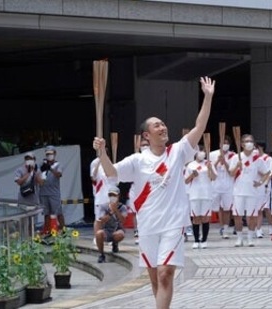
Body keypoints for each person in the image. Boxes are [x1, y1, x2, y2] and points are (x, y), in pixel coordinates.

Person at [92, 76, 215, 309]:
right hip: (148, 225)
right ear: (146, 136)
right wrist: (103, 153)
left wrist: (207, 97)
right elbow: (111, 173)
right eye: (157, 125)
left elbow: (200, 127)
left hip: (173, 222)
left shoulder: (178, 151)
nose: (163, 127)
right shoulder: (137, 160)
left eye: (163, 124)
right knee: (155, 279)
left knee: (165, 273)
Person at [228, 134, 270, 247]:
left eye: (251, 141)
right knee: (237, 216)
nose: (249, 143)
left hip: (252, 192)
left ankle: (250, 238)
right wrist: (237, 166)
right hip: (238, 191)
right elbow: (231, 174)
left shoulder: (257, 159)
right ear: (242, 144)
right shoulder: (236, 157)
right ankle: (239, 238)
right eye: (247, 141)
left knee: (252, 216)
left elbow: (267, 173)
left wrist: (260, 183)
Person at [184, 145, 217, 249]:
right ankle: (196, 240)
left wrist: (210, 168)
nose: (201, 153)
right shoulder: (190, 165)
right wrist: (192, 176)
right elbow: (186, 181)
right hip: (194, 194)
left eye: (203, 151)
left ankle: (204, 240)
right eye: (199, 151)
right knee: (196, 218)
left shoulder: (209, 163)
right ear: (195, 153)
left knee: (205, 218)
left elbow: (214, 177)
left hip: (206, 194)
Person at [209, 135, 236, 239]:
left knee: (227, 208)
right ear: (220, 144)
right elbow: (209, 170)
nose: (225, 145)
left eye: (227, 143)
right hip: (215, 185)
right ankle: (221, 226)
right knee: (217, 208)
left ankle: (225, 229)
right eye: (223, 143)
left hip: (228, 185)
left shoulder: (233, 155)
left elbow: (232, 172)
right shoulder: (212, 154)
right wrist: (217, 162)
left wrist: (225, 162)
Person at [95, 186, 128, 263]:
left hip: (117, 229)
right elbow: (101, 220)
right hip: (107, 230)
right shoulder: (103, 206)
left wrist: (116, 210)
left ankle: (115, 243)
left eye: (114, 195)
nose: (112, 197)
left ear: (118, 196)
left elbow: (123, 220)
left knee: (120, 235)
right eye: (110, 195)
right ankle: (101, 254)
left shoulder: (122, 207)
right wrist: (110, 212)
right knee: (99, 234)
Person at [39, 145, 64, 233]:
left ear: (54, 154)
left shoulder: (58, 164)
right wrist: (43, 169)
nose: (49, 155)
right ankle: (48, 231)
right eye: (47, 154)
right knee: (46, 214)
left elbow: (59, 175)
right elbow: (39, 178)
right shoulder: (42, 165)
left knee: (58, 213)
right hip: (43, 193)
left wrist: (50, 168)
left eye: (51, 153)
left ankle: (63, 230)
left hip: (54, 193)